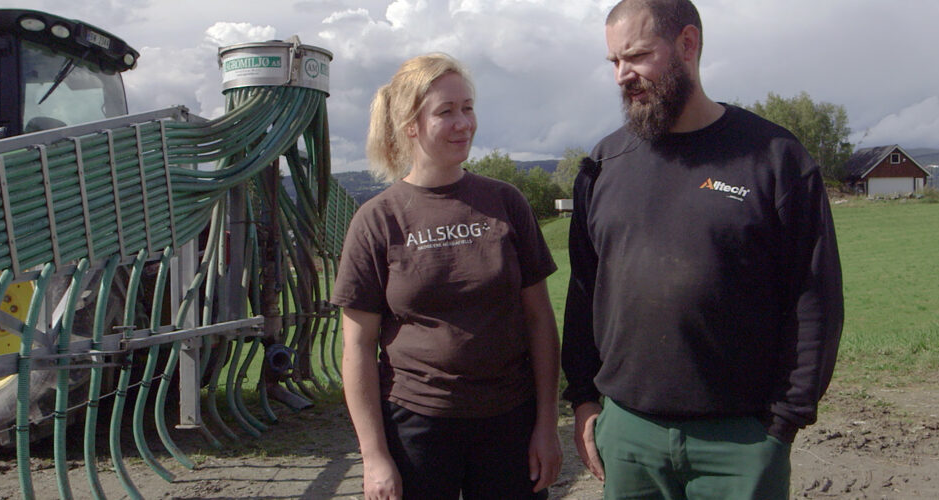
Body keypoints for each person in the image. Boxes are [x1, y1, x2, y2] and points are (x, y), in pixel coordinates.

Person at [561, 1, 845, 498]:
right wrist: (585, 399)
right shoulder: (604, 165)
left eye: (638, 56)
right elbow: (584, 291)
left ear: (688, 45)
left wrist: (780, 425)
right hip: (628, 436)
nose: (623, 75)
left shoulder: (775, 158)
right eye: (614, 62)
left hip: (740, 442)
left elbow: (815, 298)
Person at [331, 53, 562, 500]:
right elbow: (357, 346)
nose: (464, 123)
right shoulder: (378, 219)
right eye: (446, 112)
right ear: (410, 124)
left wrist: (546, 424)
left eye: (468, 107)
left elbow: (539, 319)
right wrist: (374, 456)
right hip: (416, 425)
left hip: (509, 419)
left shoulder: (505, 202)